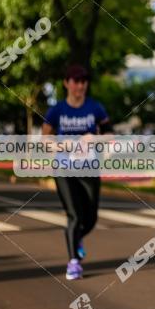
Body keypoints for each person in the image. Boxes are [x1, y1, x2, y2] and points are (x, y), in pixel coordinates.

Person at [42, 65, 111, 280]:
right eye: (75, 81)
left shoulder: (95, 108)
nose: (79, 86)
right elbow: (45, 140)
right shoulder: (57, 110)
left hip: (89, 168)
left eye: (83, 81)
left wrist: (95, 139)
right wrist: (63, 146)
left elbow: (109, 135)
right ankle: (73, 263)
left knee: (90, 218)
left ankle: (76, 239)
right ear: (66, 83)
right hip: (63, 168)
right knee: (74, 216)